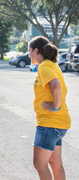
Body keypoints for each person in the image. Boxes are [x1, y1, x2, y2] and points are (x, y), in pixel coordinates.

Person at [28, 36, 71, 180]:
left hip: (49, 123)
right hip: (58, 123)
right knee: (55, 163)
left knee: (39, 164)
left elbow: (56, 86)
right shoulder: (52, 65)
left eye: (29, 50)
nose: (28, 54)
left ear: (36, 50)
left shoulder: (45, 66)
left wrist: (55, 108)